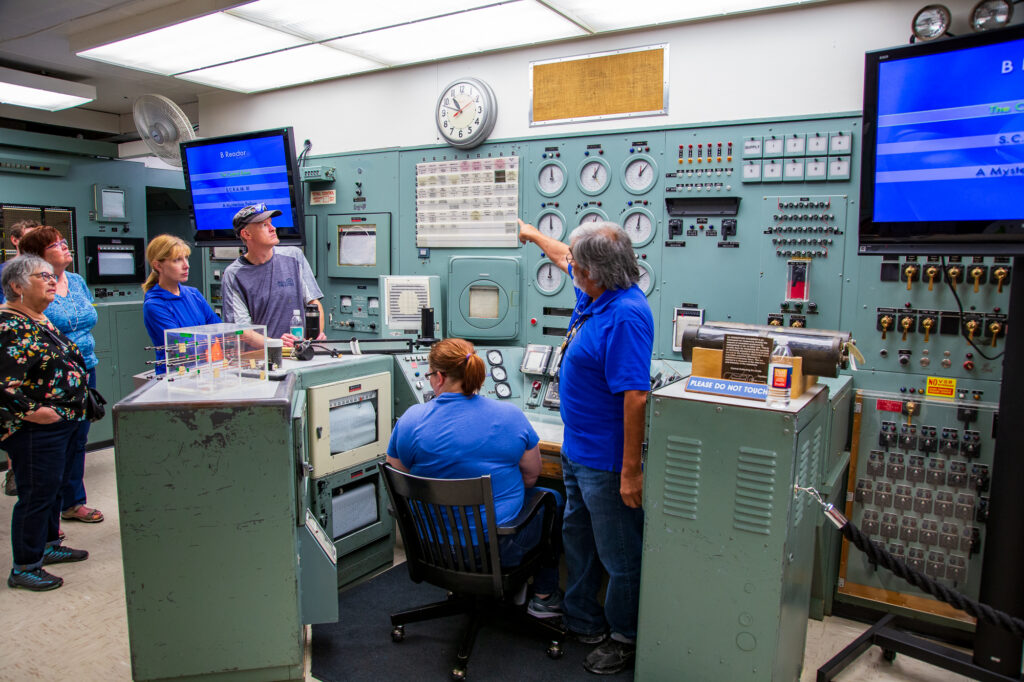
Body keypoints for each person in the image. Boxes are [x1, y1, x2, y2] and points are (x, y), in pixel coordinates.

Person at [517, 218, 654, 675]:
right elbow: (563, 254)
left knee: (619, 553)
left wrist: (630, 472)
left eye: (576, 265)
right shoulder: (597, 295)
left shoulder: (625, 315)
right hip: (577, 450)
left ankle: (625, 636)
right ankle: (583, 620)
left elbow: (635, 396)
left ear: (593, 272)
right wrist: (533, 234)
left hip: (607, 461)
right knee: (578, 538)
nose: (569, 267)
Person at [385, 338, 563, 617]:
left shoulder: (410, 420)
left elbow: (400, 479)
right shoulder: (510, 417)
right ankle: (544, 597)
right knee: (552, 498)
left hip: (431, 547)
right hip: (496, 551)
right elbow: (531, 477)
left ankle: (466, 586)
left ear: (439, 377)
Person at [1, 255, 91, 591]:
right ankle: (25, 566)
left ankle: (49, 545)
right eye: (43, 276)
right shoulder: (9, 326)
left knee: (52, 488)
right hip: (35, 429)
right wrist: (34, 412)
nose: (53, 281)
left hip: (61, 422)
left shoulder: (39, 319)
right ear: (17, 286)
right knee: (37, 494)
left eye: (53, 276)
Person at [19, 227, 104, 525]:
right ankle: (48, 519)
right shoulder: (30, 287)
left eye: (65, 242)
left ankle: (73, 502)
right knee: (55, 444)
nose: (65, 247)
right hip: (52, 375)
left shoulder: (77, 281)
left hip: (85, 367)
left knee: (79, 439)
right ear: (38, 256)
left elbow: (87, 317)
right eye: (56, 244)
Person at [220, 203, 325, 347]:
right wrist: (278, 344)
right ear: (246, 234)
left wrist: (314, 338)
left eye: (271, 223)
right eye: (264, 225)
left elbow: (314, 304)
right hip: (264, 356)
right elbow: (242, 330)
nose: (273, 228)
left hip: (300, 351)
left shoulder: (294, 256)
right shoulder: (233, 275)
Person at [142, 235, 220, 374]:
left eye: (186, 258)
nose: (186, 265)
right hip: (176, 375)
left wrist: (211, 338)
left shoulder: (193, 294)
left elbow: (219, 328)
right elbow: (184, 347)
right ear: (158, 265)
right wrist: (211, 339)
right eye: (177, 260)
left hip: (205, 370)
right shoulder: (154, 305)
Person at [1, 218, 39, 497]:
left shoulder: (43, 274)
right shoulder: (6, 272)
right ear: (15, 240)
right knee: (18, 418)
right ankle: (15, 470)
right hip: (17, 355)